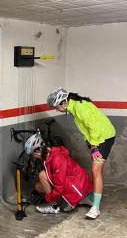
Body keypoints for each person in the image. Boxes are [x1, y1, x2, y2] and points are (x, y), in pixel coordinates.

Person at [46, 87, 116, 219]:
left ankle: (95, 208)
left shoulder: (80, 108)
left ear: (63, 102)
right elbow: (84, 127)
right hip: (98, 138)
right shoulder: (74, 106)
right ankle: (93, 198)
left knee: (96, 170)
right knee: (97, 171)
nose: (56, 110)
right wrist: (88, 141)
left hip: (104, 137)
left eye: (56, 107)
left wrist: (94, 146)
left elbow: (93, 126)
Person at [24, 132, 93, 214]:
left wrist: (47, 199)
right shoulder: (50, 154)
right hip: (75, 183)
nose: (34, 157)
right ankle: (55, 201)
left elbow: (60, 186)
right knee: (38, 186)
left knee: (42, 175)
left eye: (33, 154)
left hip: (78, 190)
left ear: (37, 151)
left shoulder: (57, 159)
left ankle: (54, 206)